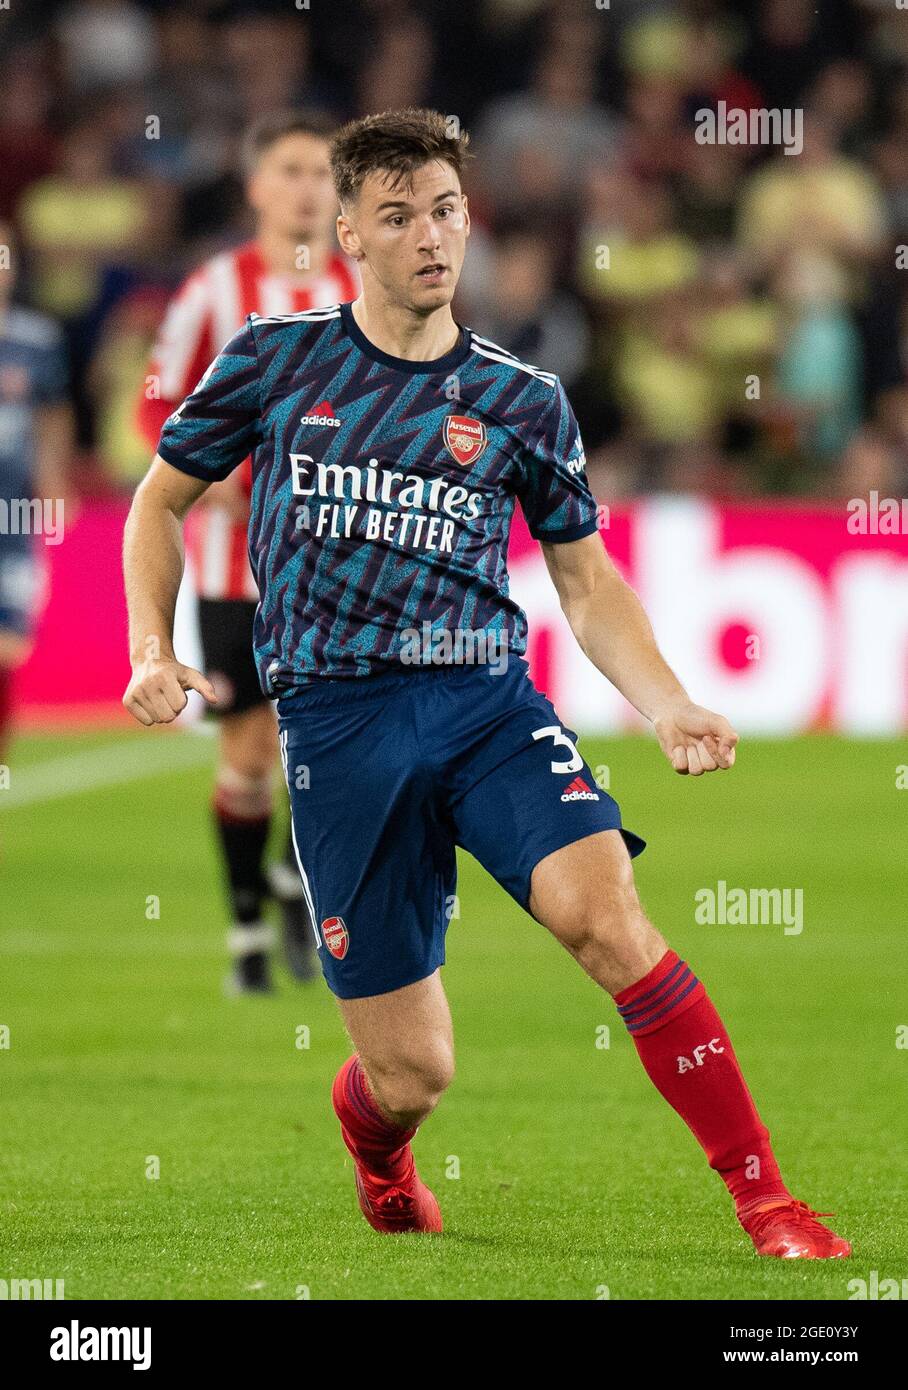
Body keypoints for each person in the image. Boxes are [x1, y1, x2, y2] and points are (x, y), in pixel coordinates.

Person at [122, 108, 849, 1258]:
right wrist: (152, 649)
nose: (429, 235)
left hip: (486, 706)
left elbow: (587, 580)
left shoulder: (522, 399)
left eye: (447, 210)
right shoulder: (274, 359)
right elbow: (157, 498)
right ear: (349, 233)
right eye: (399, 215)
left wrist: (666, 702)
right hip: (338, 722)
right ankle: (380, 1150)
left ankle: (765, 1197)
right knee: (412, 1070)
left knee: (605, 918)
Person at [135, 110, 360, 993]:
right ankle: (248, 934)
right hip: (238, 569)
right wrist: (212, 472)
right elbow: (154, 403)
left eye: (321, 173)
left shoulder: (361, 286)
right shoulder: (213, 290)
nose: (308, 188)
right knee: (248, 757)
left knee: (321, 750)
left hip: (342, 568)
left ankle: (296, 885)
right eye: (292, 170)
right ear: (257, 186)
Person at [0, 221, 72, 770]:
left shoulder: (35, 339)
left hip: (15, 514)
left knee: (10, 643)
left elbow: (52, 417)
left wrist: (54, 484)